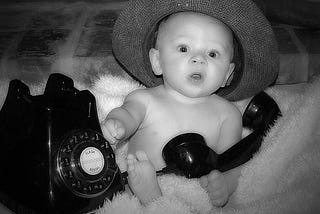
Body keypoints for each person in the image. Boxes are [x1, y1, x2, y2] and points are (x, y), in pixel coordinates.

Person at [104, 0, 279, 207]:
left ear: (227, 75)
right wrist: (117, 124)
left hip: (194, 197)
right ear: (157, 61)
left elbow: (230, 162)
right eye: (184, 48)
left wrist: (225, 184)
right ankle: (152, 197)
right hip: (140, 180)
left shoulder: (227, 114)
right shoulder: (145, 99)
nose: (198, 59)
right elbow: (129, 114)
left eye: (212, 53)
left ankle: (157, 200)